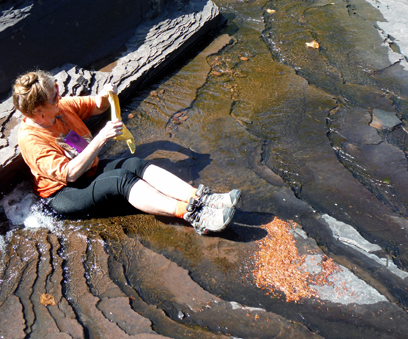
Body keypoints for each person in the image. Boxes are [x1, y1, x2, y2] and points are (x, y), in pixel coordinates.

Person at [12, 70, 241, 234]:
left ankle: (202, 197)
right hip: (62, 192)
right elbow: (69, 174)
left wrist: (106, 95)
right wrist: (101, 137)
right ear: (39, 112)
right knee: (121, 180)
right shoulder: (32, 139)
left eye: (57, 90)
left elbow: (97, 105)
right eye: (55, 96)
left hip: (87, 170)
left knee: (134, 164)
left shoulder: (61, 108)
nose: (60, 96)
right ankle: (193, 214)